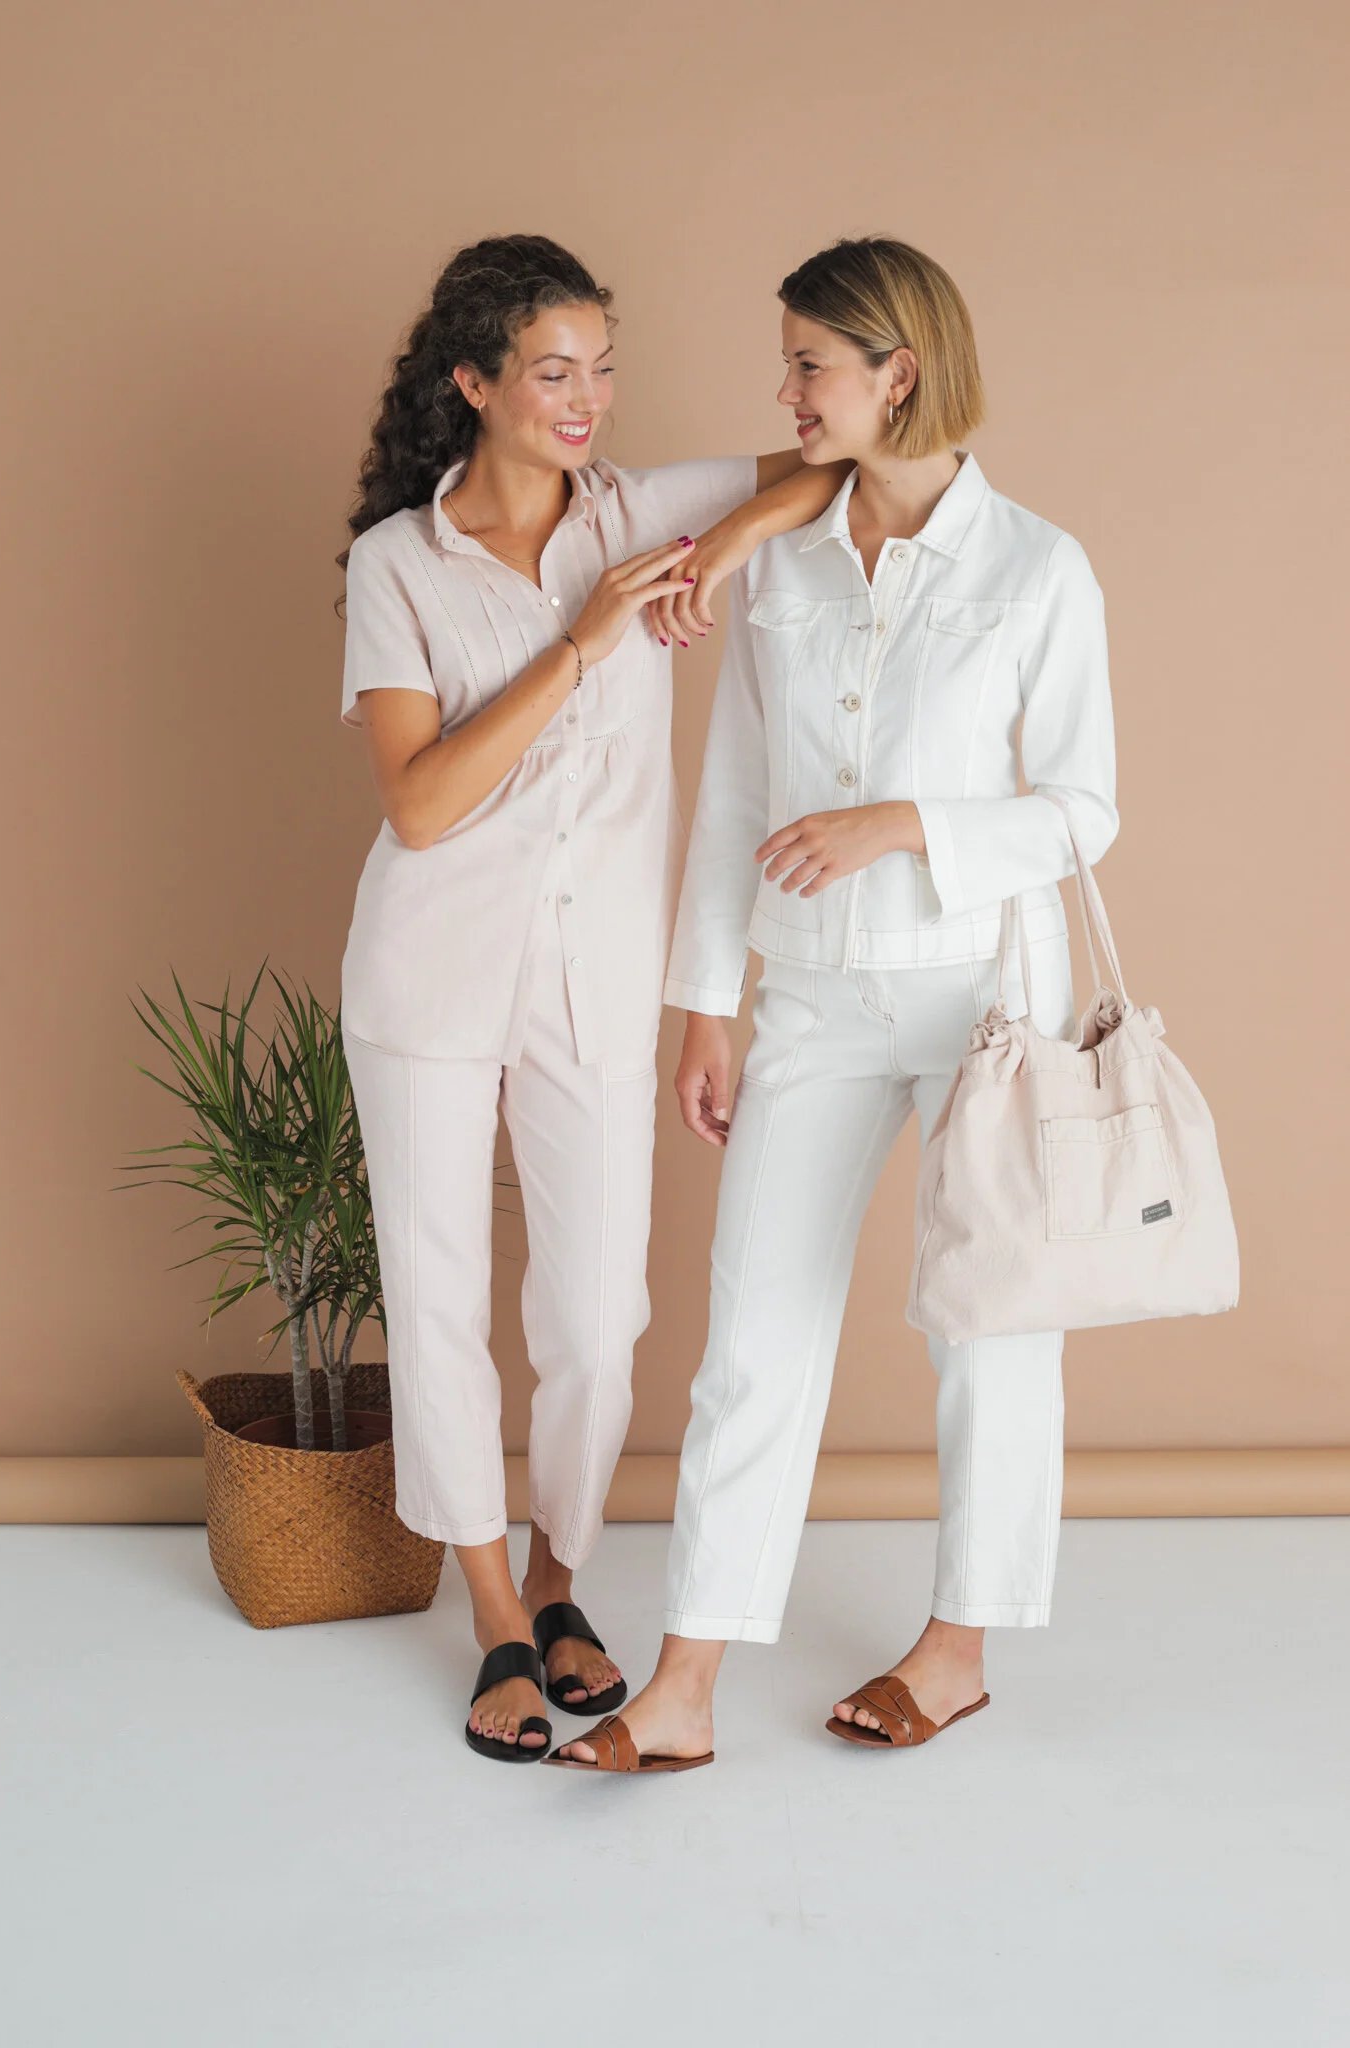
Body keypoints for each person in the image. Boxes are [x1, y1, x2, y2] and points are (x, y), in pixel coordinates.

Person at [551, 236, 1118, 1775]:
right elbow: (736, 785)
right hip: (808, 996)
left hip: (989, 1001)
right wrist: (705, 1002)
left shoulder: (1038, 567)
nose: (787, 391)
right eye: (789, 360)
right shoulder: (783, 562)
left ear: (899, 372)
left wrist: (906, 826)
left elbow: (1085, 810)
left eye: (810, 363)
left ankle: (959, 1651)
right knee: (754, 1334)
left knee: (990, 1333)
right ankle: (685, 1684)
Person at [337, 234, 848, 1762]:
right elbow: (423, 802)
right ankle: (497, 1614)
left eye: (602, 369)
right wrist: (586, 640)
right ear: (473, 382)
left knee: (597, 1313)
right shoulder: (397, 565)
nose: (587, 399)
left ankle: (563, 1578)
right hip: (428, 969)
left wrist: (721, 549)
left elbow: (835, 465)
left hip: (598, 976)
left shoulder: (640, 514)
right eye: (553, 372)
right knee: (437, 1300)